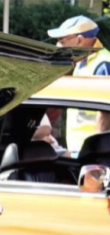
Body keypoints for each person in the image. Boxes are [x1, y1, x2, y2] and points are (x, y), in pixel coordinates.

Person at [48, 16, 110, 145]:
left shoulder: (103, 64)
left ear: (80, 40)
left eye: (62, 40)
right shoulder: (82, 62)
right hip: (79, 147)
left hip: (92, 151)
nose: (58, 45)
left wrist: (95, 148)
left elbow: (105, 113)